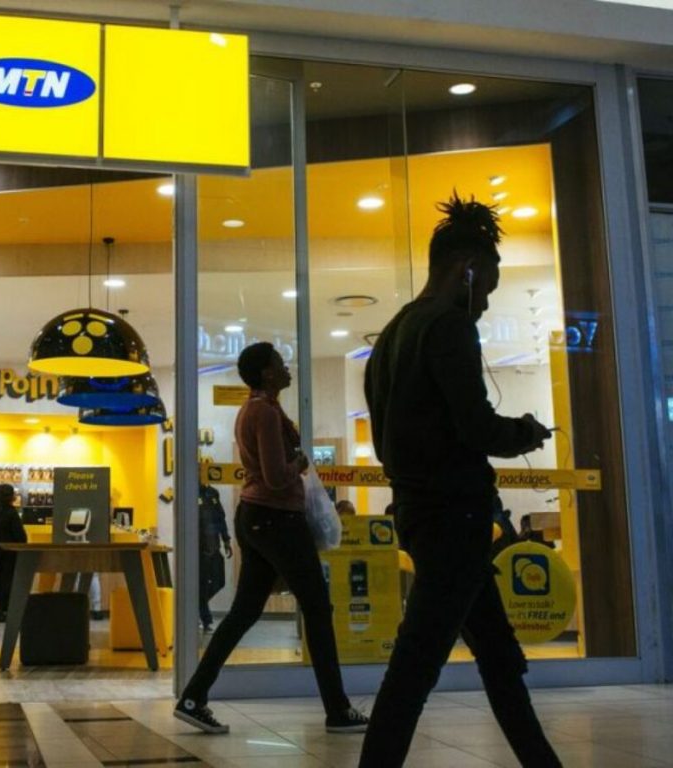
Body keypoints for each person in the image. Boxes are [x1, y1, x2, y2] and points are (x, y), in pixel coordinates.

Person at [359, 193, 560, 767]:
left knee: (498, 659)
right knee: (416, 667)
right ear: (466, 269)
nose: (487, 303)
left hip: (422, 513)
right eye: (488, 287)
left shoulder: (394, 331)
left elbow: (390, 437)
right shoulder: (448, 326)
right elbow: (476, 427)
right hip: (455, 518)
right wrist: (524, 432)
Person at [174, 341, 368, 735]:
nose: (286, 367)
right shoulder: (262, 412)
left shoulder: (258, 409)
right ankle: (338, 709)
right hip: (277, 519)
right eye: (280, 362)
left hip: (258, 518)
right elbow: (277, 476)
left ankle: (193, 698)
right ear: (266, 372)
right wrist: (300, 463)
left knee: (244, 612)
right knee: (317, 607)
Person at [198, 481, 232, 633]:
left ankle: (196, 606)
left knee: (219, 581)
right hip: (199, 548)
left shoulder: (212, 493)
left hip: (214, 546)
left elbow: (221, 519)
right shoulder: (190, 492)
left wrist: (226, 540)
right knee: (202, 585)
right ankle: (206, 620)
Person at [0, 483, 27, 622]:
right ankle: (8, 611)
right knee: (8, 581)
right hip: (10, 552)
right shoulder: (12, 513)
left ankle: (1, 610)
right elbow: (20, 536)